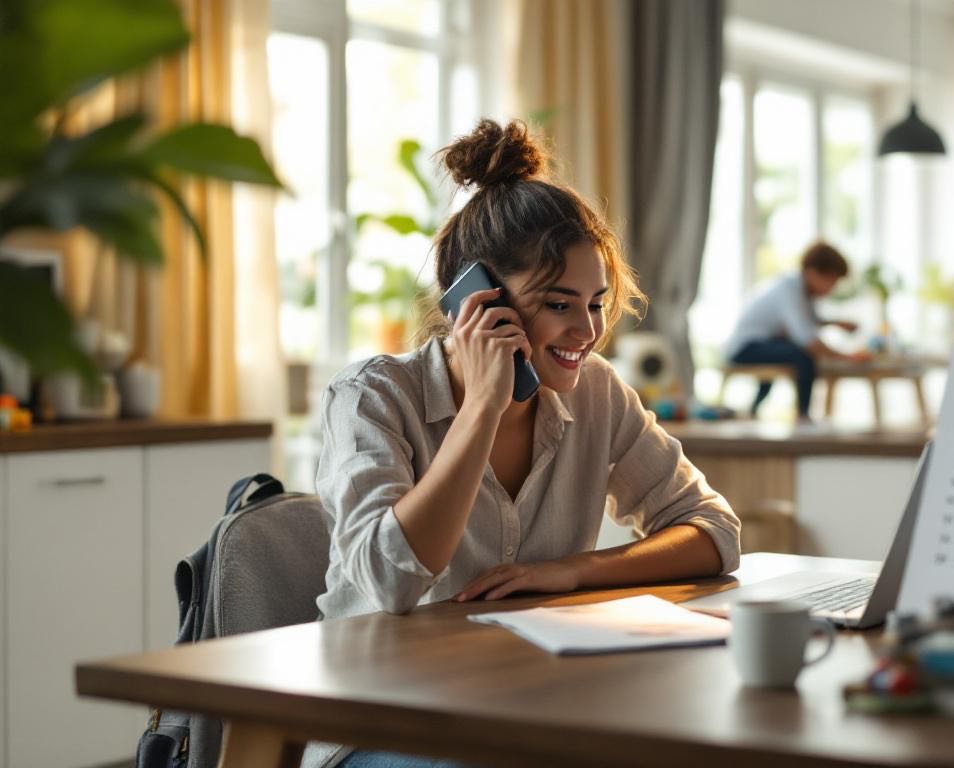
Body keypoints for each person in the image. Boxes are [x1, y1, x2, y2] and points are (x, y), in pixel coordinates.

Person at [304, 119, 742, 768]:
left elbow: (713, 530)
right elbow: (391, 581)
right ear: (477, 304)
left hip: (530, 705)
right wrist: (483, 406)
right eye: (559, 304)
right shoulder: (372, 397)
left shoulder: (596, 393)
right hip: (383, 718)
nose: (586, 331)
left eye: (595, 303)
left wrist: (575, 570)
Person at [723, 242, 871, 420]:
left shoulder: (803, 291)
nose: (832, 288)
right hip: (744, 348)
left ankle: (753, 412)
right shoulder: (790, 290)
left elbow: (809, 321)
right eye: (831, 281)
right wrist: (845, 357)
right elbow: (807, 339)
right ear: (813, 272)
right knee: (803, 356)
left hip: (763, 343)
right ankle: (803, 417)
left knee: (789, 351)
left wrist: (837, 323)